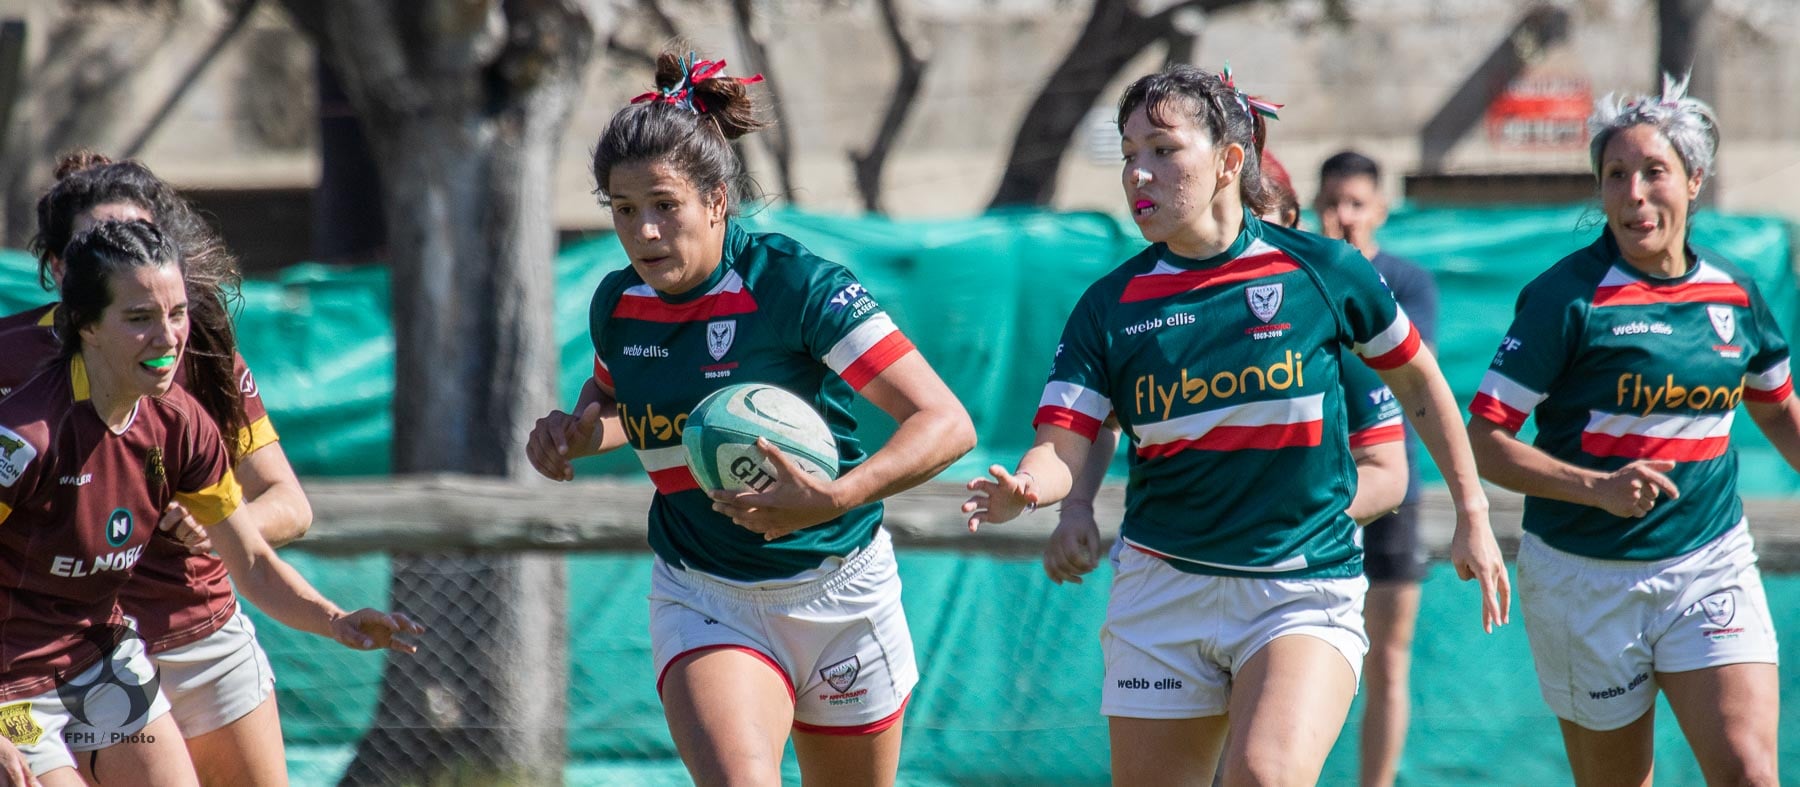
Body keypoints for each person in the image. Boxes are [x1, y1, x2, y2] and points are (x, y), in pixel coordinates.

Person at [962, 64, 1507, 785]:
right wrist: (1028, 489)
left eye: (1162, 149)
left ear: (1228, 161)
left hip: (1300, 586)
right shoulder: (1109, 306)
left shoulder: (1326, 273)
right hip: (1163, 589)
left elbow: (1422, 385)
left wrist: (1474, 513)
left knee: (1264, 773)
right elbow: (1062, 442)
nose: (1139, 174)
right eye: (1128, 156)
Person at [525, 51, 974, 786]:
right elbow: (624, 408)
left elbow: (945, 421)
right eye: (623, 209)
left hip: (839, 588)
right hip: (707, 593)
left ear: (716, 200)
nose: (644, 233)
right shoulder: (618, 303)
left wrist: (835, 497)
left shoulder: (798, 286)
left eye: (664, 205)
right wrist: (577, 431)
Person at [0, 221, 422, 787]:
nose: (168, 336)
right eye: (139, 318)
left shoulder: (181, 423)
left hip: (98, 663)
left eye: (176, 313)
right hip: (9, 685)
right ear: (85, 325)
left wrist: (336, 619)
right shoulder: (26, 439)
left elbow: (249, 560)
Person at [1467, 74, 1790, 786]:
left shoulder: (1735, 292)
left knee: (1748, 769)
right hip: (1585, 578)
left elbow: (1776, 408)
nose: (1634, 192)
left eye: (1654, 172)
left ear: (1694, 179)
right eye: (1616, 175)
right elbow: (1484, 437)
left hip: (1709, 563)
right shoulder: (1565, 297)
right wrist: (1598, 486)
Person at [0, 153, 314, 786]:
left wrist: (218, 525)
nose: (133, 260)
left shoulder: (192, 354)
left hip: (189, 634)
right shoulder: (15, 373)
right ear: (64, 272)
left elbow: (287, 503)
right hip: (45, 665)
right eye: (101, 246)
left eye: (148, 241)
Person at [1314, 148, 1441, 787]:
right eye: (1332, 202)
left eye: (1356, 204)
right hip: (1307, 491)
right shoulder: (1297, 281)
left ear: (1381, 210)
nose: (1343, 217)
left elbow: (1401, 375)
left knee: (1388, 658)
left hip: (1393, 491)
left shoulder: (1408, 284)